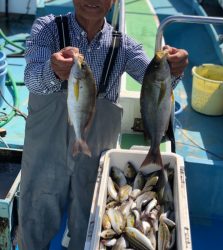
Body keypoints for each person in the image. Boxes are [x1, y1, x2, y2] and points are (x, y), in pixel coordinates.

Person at [18, 0, 189, 249]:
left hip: (95, 146)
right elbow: (32, 79)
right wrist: (52, 71)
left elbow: (155, 82)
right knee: (36, 209)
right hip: (46, 144)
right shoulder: (48, 29)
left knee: (90, 215)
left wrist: (172, 70)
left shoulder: (125, 47)